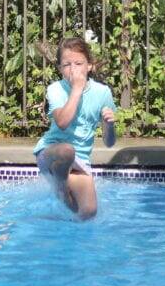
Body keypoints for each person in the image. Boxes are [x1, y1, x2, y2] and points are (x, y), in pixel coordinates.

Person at [34, 38, 116, 220]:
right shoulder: (55, 89)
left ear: (89, 66)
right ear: (60, 69)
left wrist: (109, 125)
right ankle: (61, 186)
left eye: (79, 63)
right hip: (50, 153)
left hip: (79, 162)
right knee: (67, 150)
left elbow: (109, 143)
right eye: (67, 65)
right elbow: (62, 123)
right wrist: (77, 89)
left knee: (87, 213)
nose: (73, 69)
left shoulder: (102, 93)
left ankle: (55, 224)